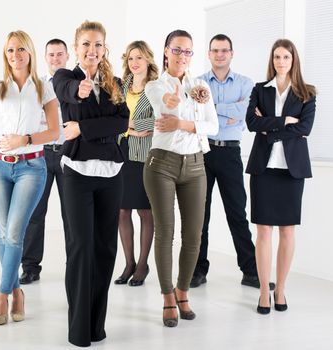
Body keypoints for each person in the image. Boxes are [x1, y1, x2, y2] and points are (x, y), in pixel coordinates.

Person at [52, 20, 129, 347]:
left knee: (105, 250)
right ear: (76, 47)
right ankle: (79, 330)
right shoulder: (64, 77)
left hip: (111, 174)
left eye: (98, 45)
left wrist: (82, 128)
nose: (92, 50)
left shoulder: (113, 83)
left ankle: (97, 325)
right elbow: (68, 92)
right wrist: (80, 92)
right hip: (78, 175)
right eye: (86, 44)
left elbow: (123, 121)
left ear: (104, 48)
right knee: (81, 250)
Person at [0, 30, 59, 325]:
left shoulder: (43, 88)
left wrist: (24, 139)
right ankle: (17, 290)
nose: (16, 55)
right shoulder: (0, 86)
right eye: (11, 50)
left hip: (31, 167)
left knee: (14, 232)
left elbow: (54, 132)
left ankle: (2, 294)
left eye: (21, 49)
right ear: (6, 54)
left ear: (30, 53)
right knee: (3, 232)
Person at [144, 29, 218, 327]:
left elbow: (212, 126)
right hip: (161, 164)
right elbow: (164, 107)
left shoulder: (200, 85)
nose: (182, 56)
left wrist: (183, 123)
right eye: (177, 50)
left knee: (194, 235)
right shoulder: (155, 85)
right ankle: (166, 296)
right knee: (165, 231)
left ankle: (182, 291)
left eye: (188, 51)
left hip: (196, 166)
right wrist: (173, 107)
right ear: (165, 51)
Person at [192, 34, 272, 289]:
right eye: (215, 50)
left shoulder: (246, 84)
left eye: (224, 50)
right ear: (209, 54)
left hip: (230, 154)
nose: (219, 55)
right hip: (202, 151)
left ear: (232, 53)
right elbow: (197, 114)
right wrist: (228, 111)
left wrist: (212, 108)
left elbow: (245, 114)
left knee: (237, 212)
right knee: (199, 215)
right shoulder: (197, 83)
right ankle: (196, 271)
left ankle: (251, 271)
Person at [245, 39, 316, 314]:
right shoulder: (259, 90)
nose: (281, 61)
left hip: (291, 170)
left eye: (286, 56)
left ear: (293, 60)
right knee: (263, 231)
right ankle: (265, 291)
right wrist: (286, 122)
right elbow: (252, 123)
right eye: (277, 56)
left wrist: (270, 127)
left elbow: (306, 128)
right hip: (264, 168)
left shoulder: (307, 93)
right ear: (271, 60)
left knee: (287, 231)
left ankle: (282, 289)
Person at [20, 38, 70, 285]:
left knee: (71, 214)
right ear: (45, 57)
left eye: (59, 54)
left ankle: (74, 263)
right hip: (40, 153)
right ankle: (30, 267)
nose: (55, 59)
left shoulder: (74, 84)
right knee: (35, 213)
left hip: (68, 153)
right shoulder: (37, 86)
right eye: (51, 55)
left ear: (67, 56)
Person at [114, 40, 158, 287]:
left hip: (145, 155)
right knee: (121, 211)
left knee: (144, 211)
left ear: (148, 60)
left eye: (139, 57)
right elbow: (114, 118)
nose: (135, 62)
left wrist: (136, 126)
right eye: (131, 58)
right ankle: (128, 262)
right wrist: (130, 127)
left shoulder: (156, 87)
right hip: (121, 151)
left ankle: (143, 264)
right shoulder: (121, 87)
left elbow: (160, 119)